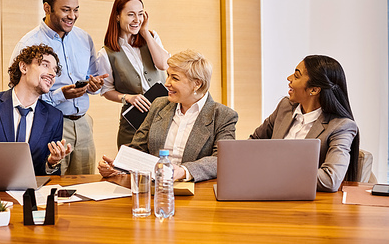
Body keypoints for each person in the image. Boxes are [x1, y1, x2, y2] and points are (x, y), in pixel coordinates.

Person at [9, 0, 108, 175]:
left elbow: (92, 78)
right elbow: (19, 95)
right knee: (52, 184)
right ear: (47, 8)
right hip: (50, 124)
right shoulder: (28, 44)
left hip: (84, 124)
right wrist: (60, 95)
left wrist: (94, 84)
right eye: (66, 10)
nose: (72, 16)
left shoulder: (84, 38)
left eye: (76, 10)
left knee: (84, 187)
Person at [98, 50, 238, 182]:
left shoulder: (223, 116)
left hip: (197, 191)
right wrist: (119, 166)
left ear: (197, 84)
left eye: (175, 78)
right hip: (154, 188)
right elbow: (138, 147)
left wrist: (183, 171)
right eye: (168, 75)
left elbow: (222, 159)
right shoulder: (159, 105)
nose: (167, 83)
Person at [249, 55, 359, 192]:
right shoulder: (285, 107)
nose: (289, 78)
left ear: (314, 90)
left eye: (296, 76)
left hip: (309, 204)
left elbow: (330, 179)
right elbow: (253, 143)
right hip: (268, 192)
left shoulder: (341, 126)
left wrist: (276, 171)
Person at [0, 44, 72, 175]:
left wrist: (51, 163)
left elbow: (50, 176)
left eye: (54, 70)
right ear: (23, 67)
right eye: (45, 65)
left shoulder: (54, 117)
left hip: (31, 193)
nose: (52, 74)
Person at [97, 0, 170, 147]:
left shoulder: (151, 37)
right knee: (130, 170)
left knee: (161, 168)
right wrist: (127, 97)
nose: (137, 20)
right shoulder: (106, 53)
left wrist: (144, 32)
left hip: (163, 120)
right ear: (117, 16)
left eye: (140, 14)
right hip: (132, 127)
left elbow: (163, 65)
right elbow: (106, 90)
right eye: (131, 15)